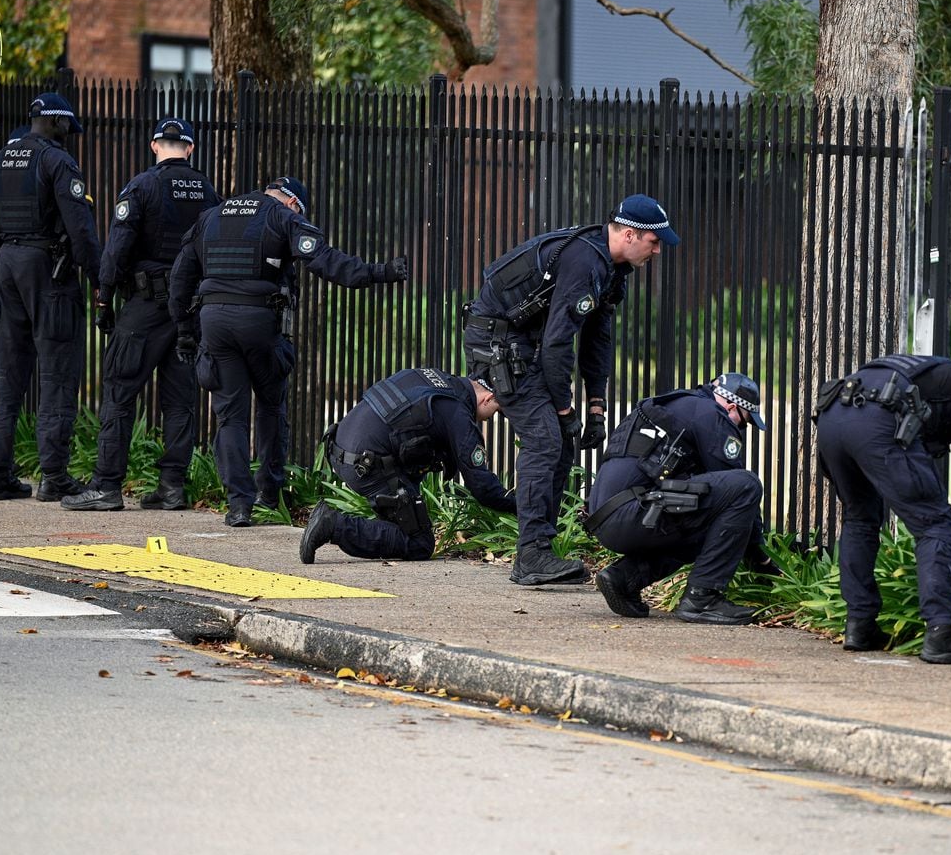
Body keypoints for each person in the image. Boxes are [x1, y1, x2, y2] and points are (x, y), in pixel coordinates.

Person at [463, 194, 679, 586]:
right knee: (546, 438)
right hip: (497, 343)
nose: (659, 250)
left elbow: (597, 339)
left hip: (523, 344)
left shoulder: (611, 269)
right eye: (655, 241)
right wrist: (564, 408)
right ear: (630, 235)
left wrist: (596, 405)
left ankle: (541, 550)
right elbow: (560, 343)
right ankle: (531, 555)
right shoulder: (585, 262)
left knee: (562, 440)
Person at [168, 175, 408, 527]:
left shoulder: (213, 215)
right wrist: (379, 272)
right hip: (260, 322)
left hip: (214, 322)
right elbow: (324, 260)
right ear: (294, 203)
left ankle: (239, 505)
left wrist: (185, 332)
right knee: (269, 405)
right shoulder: (283, 217)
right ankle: (269, 492)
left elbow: (180, 276)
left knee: (230, 416)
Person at [61, 118, 221, 512]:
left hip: (146, 306)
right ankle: (172, 487)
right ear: (190, 149)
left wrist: (104, 300)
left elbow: (117, 248)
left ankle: (107, 485)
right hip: (189, 309)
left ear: (154, 146)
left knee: (119, 391)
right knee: (180, 400)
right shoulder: (208, 191)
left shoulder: (143, 186)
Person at [814, 353, 951, 665]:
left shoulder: (926, 382)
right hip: (878, 418)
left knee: (859, 517)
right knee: (935, 525)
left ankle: (859, 626)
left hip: (833, 416)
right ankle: (942, 633)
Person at [0, 92, 101, 501]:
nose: (70, 136)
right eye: (69, 128)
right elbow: (80, 229)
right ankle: (54, 476)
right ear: (59, 123)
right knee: (57, 372)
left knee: (7, 375)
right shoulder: (56, 161)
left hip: (8, 265)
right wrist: (99, 278)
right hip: (48, 270)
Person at [585, 373, 769, 624]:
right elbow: (736, 491)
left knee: (707, 522)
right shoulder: (712, 415)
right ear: (733, 406)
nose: (739, 429)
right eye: (743, 423)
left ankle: (624, 579)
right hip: (637, 513)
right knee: (747, 484)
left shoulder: (678, 405)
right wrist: (761, 556)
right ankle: (702, 599)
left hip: (608, 517)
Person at [299, 368, 515, 563]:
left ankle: (363, 525)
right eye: (495, 411)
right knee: (419, 543)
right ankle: (333, 525)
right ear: (488, 398)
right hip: (367, 465)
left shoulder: (434, 378)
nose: (489, 419)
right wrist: (521, 505)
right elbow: (483, 488)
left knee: (405, 515)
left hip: (340, 448)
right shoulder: (458, 414)